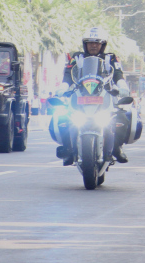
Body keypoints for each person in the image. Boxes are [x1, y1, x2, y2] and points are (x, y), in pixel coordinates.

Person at [55, 27, 134, 165]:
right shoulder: (77, 57)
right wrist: (63, 87)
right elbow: (68, 74)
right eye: (90, 42)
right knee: (63, 117)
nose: (93, 45)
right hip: (80, 96)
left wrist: (122, 86)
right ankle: (67, 150)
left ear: (103, 45)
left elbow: (118, 74)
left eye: (97, 43)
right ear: (85, 44)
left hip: (105, 96)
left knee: (121, 118)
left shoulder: (111, 58)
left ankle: (116, 148)